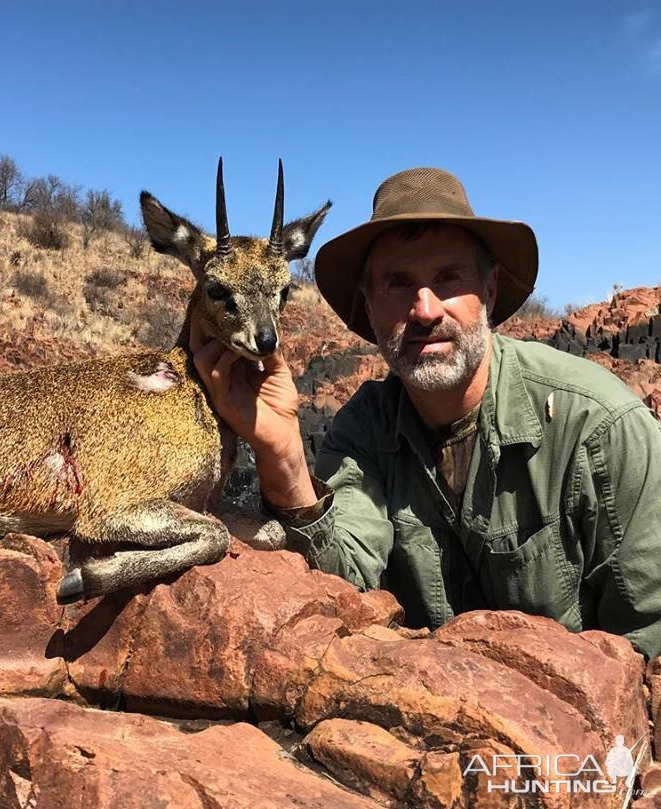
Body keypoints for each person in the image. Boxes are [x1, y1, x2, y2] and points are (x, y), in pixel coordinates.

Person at [191, 167, 661, 659]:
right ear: (369, 308)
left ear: (490, 291)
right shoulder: (362, 431)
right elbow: (340, 582)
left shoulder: (598, 425)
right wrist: (281, 449)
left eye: (448, 278)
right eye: (398, 283)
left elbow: (650, 634)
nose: (425, 309)